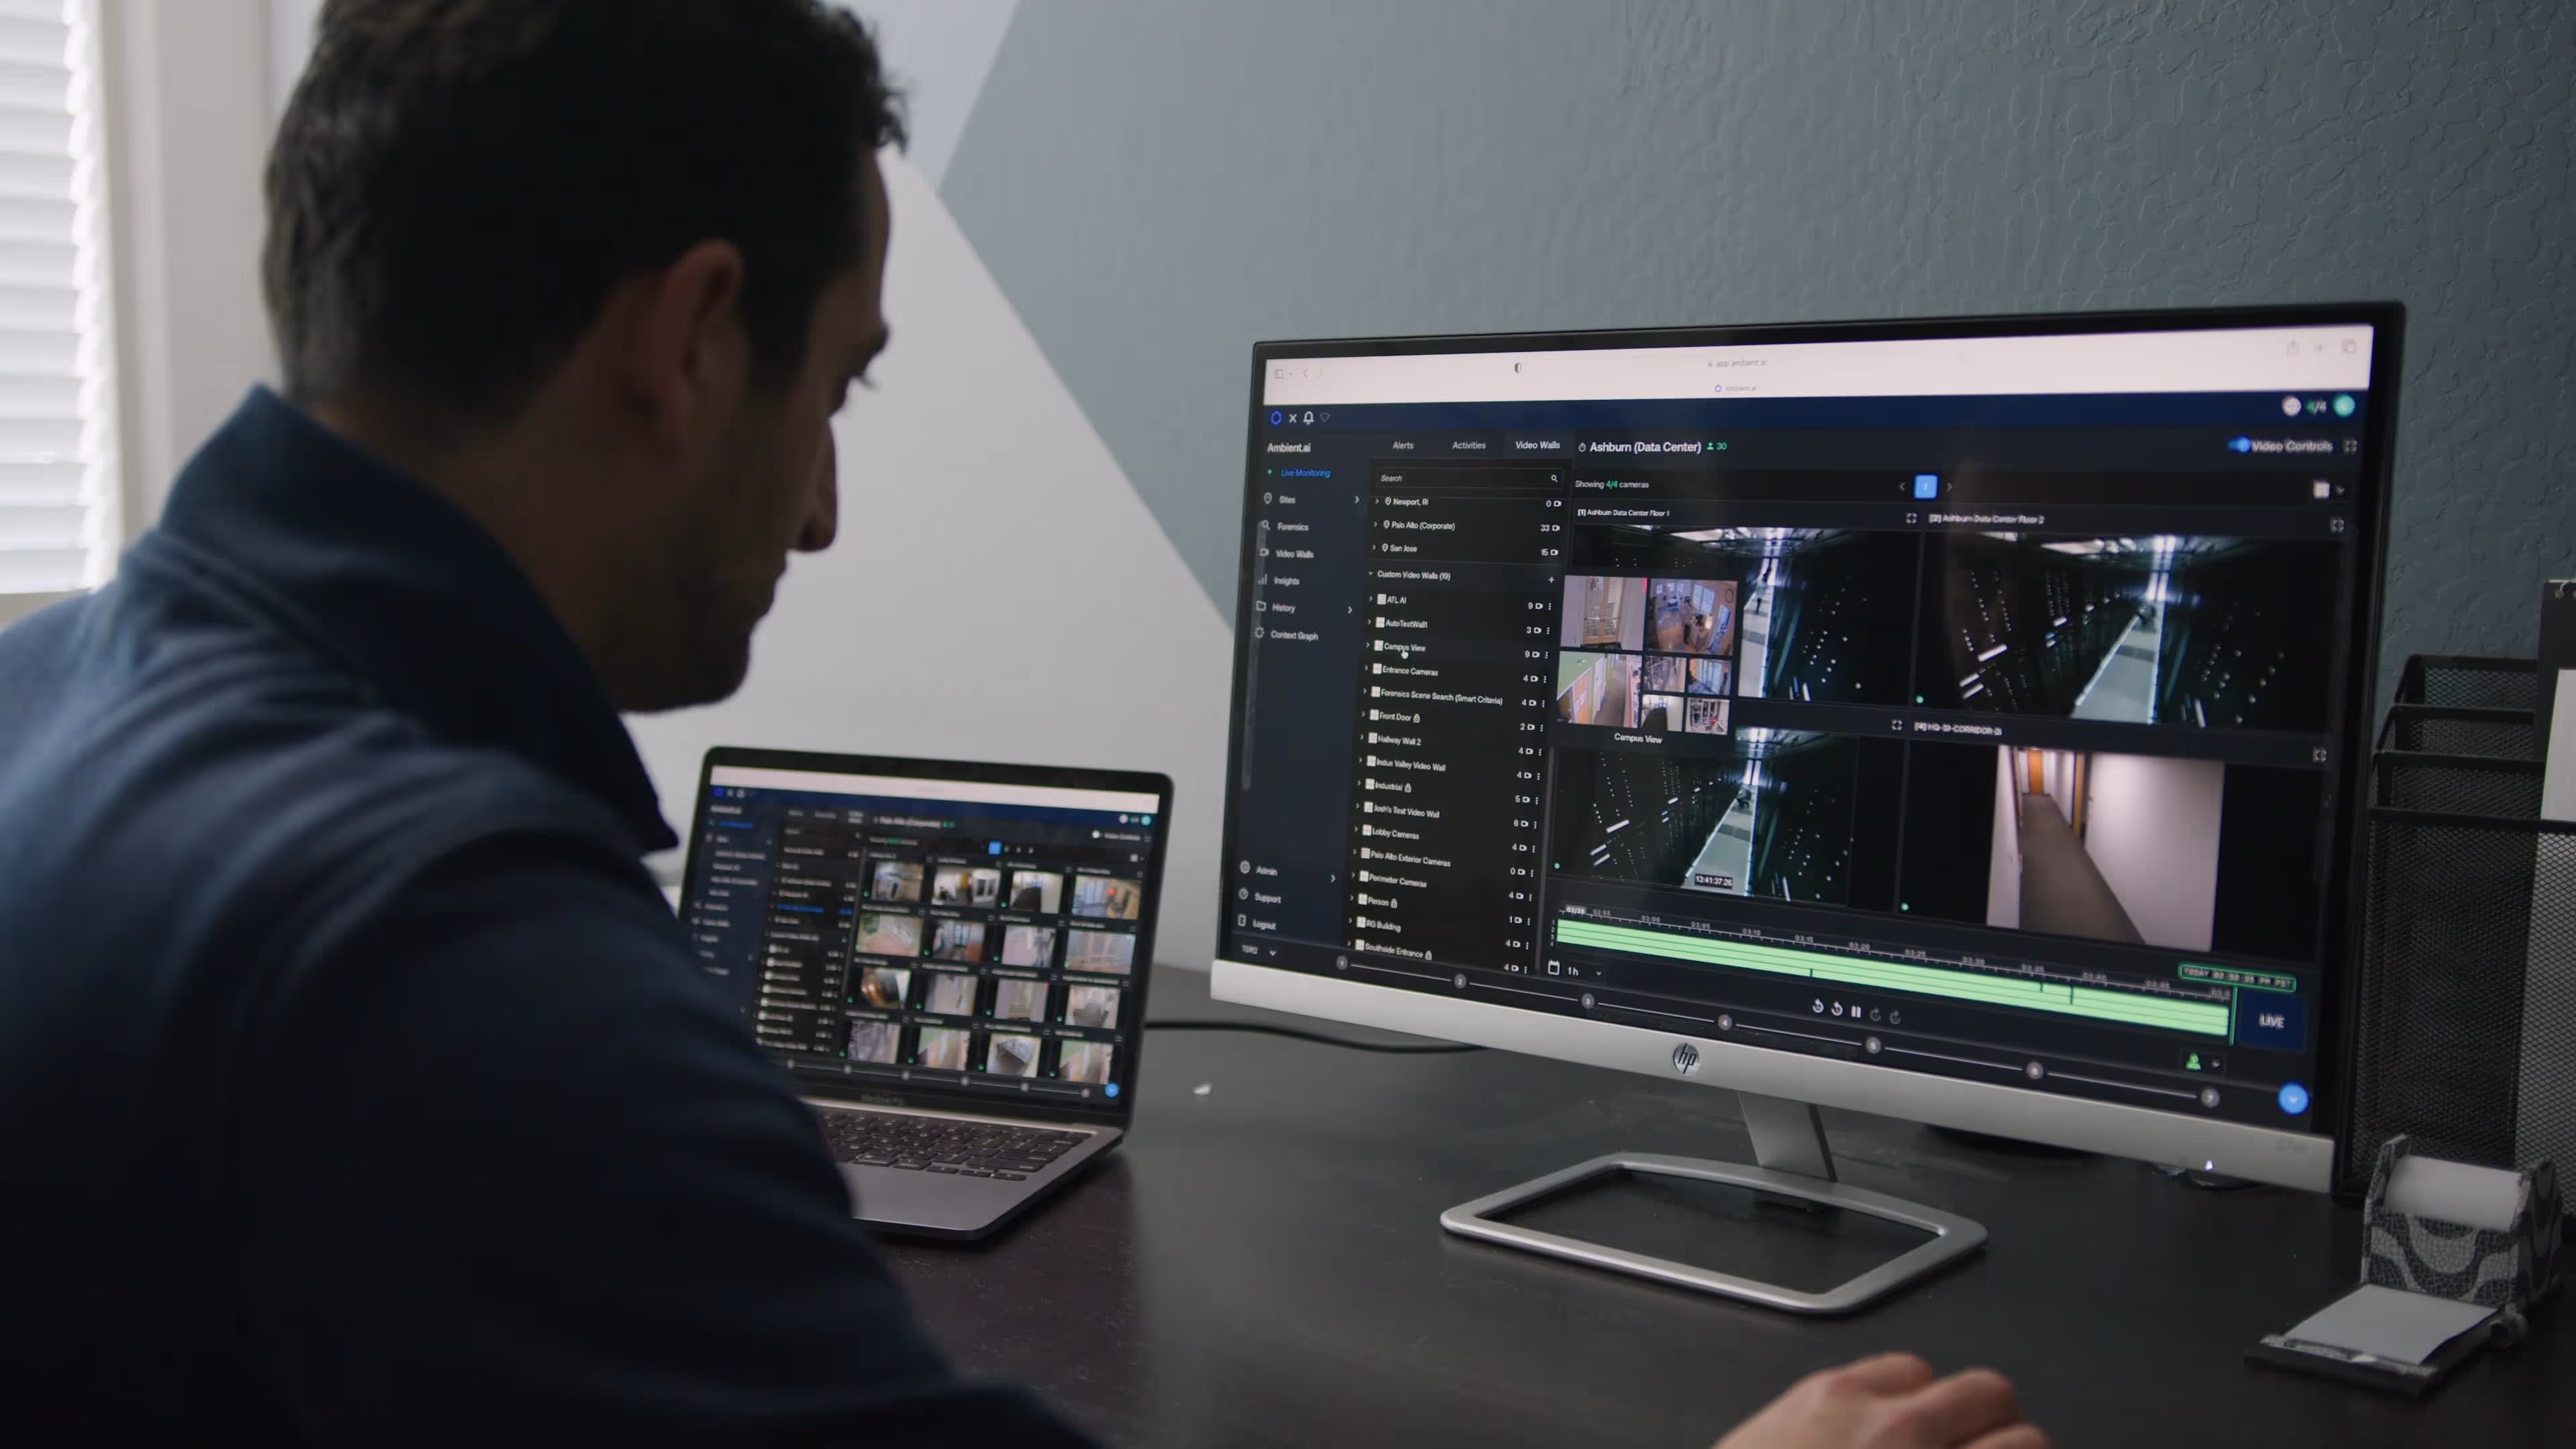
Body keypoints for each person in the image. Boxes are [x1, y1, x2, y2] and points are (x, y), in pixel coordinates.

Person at [0, 3, 2043, 1446]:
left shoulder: (46, 708)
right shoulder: (453, 966)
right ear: (689, 340)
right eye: (839, 388)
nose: (821, 508)